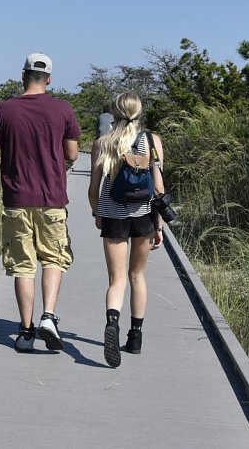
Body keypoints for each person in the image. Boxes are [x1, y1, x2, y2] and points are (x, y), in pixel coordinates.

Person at [0, 53, 81, 352]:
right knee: (53, 258)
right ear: (49, 79)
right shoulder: (62, 109)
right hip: (51, 199)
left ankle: (25, 333)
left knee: (23, 265)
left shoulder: (4, 110)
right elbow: (73, 154)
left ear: (22, 76)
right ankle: (48, 317)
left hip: (16, 199)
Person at [87, 91, 166, 368]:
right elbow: (158, 188)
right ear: (139, 112)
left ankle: (112, 322)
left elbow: (93, 190)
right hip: (143, 215)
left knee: (116, 280)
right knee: (138, 275)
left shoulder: (102, 144)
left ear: (115, 112)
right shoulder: (151, 142)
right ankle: (135, 337)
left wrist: (98, 214)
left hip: (112, 216)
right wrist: (158, 226)